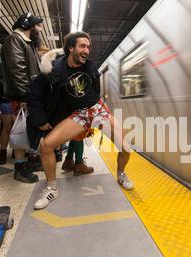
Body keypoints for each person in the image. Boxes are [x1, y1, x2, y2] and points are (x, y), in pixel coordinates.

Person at [27, 32, 134, 210]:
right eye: (83, 46)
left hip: (98, 109)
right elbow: (34, 93)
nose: (87, 50)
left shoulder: (91, 68)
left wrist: (100, 111)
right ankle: (51, 188)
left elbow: (94, 90)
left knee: (126, 146)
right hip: (78, 115)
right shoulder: (53, 71)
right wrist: (40, 119)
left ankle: (121, 174)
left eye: (88, 47)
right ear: (71, 48)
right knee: (46, 145)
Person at [0, 12, 43, 183]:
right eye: (38, 25)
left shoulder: (26, 42)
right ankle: (20, 168)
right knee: (21, 131)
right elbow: (17, 70)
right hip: (23, 94)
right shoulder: (15, 40)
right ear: (29, 26)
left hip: (28, 93)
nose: (39, 29)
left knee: (28, 130)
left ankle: (29, 162)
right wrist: (26, 94)